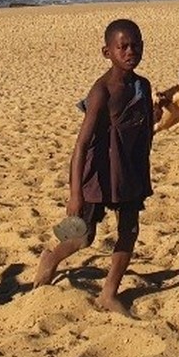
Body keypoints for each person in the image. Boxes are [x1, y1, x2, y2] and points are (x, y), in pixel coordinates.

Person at [33, 18, 153, 315]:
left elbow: (146, 131)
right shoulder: (102, 91)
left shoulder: (143, 86)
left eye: (135, 45)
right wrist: (75, 193)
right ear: (106, 51)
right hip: (98, 173)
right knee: (83, 236)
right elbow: (81, 145)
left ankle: (109, 294)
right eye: (122, 46)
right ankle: (51, 257)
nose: (129, 52)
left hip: (128, 171)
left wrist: (141, 170)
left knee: (130, 230)